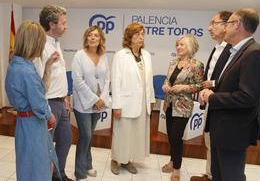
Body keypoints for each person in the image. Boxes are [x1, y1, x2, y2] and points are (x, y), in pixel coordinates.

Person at [199, 8, 260, 181]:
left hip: (233, 131)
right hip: (221, 127)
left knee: (230, 175)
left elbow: (247, 97)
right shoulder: (234, 51)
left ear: (237, 25)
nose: (224, 28)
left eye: (228, 23)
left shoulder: (255, 53)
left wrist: (212, 97)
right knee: (219, 174)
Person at [5, 20, 57, 181]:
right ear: (34, 43)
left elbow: (36, 90)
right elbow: (39, 104)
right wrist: (50, 115)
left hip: (24, 122)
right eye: (41, 43)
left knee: (27, 164)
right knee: (38, 167)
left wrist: (47, 67)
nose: (42, 47)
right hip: (33, 124)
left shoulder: (16, 65)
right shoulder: (26, 70)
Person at [190, 11, 232, 181]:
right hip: (211, 104)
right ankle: (209, 175)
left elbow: (229, 79)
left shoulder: (233, 50)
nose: (209, 28)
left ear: (226, 25)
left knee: (219, 146)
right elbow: (212, 76)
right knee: (209, 142)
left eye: (214, 23)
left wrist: (212, 84)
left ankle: (215, 176)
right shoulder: (217, 48)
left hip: (223, 107)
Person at [110, 22, 155, 175]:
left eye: (143, 34)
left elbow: (149, 81)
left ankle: (128, 160)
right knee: (122, 133)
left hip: (142, 103)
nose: (141, 37)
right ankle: (116, 160)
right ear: (129, 37)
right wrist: (116, 105)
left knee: (135, 134)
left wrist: (151, 100)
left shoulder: (147, 55)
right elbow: (115, 81)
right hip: (125, 102)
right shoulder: (120, 55)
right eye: (137, 34)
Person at [34, 5, 73, 181]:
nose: (66, 26)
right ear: (52, 24)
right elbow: (38, 81)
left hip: (60, 102)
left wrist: (65, 97)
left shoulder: (56, 43)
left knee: (65, 139)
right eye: (63, 23)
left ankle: (58, 174)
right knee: (47, 146)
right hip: (48, 103)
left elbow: (58, 77)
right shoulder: (40, 47)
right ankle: (47, 176)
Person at [161, 34, 204, 181]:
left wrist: (183, 87)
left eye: (182, 45)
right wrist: (165, 85)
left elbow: (199, 85)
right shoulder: (173, 62)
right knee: (171, 137)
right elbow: (167, 79)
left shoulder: (197, 65)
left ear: (190, 47)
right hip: (169, 104)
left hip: (183, 107)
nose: (178, 47)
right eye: (177, 44)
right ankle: (172, 161)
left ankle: (177, 169)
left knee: (176, 137)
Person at [72, 26, 110, 181]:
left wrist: (102, 99)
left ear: (100, 39)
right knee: (85, 135)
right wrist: (95, 99)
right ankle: (79, 171)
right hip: (83, 104)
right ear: (86, 38)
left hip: (99, 103)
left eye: (96, 35)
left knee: (89, 136)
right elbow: (78, 81)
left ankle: (88, 165)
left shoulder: (104, 57)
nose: (93, 37)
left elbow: (107, 79)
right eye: (90, 35)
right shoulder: (79, 56)